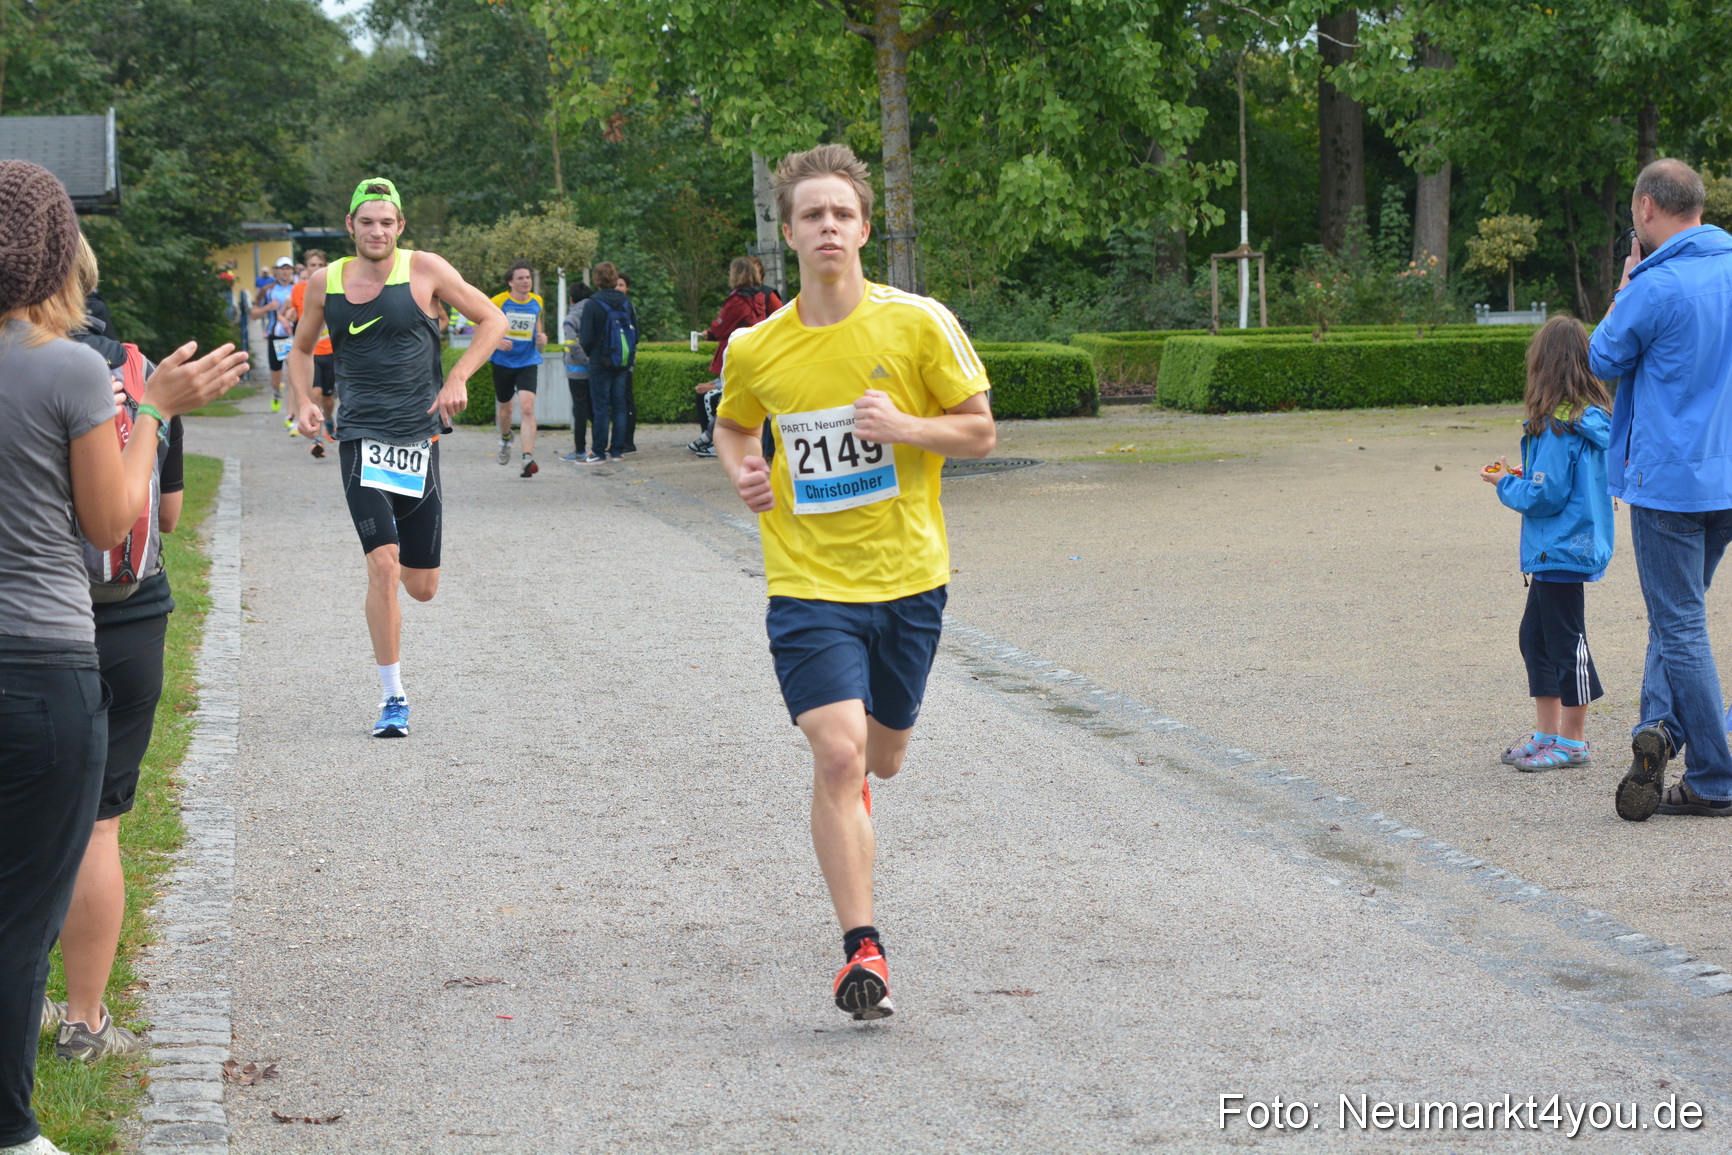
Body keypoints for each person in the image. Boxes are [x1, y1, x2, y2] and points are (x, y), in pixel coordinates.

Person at [713, 144, 995, 1020]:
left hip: (909, 576)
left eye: (842, 213)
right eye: (811, 215)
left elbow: (979, 430)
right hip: (807, 582)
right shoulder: (758, 347)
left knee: (882, 756)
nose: (828, 226)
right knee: (836, 752)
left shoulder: (918, 323)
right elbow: (732, 425)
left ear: (863, 228)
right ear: (789, 233)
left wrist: (904, 424)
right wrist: (743, 469)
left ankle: (861, 784)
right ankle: (860, 947)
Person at [0, 159, 244, 1155]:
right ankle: (14, 1131)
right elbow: (113, 519)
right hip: (45, 670)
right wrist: (153, 410)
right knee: (22, 912)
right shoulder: (68, 369)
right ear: (61, 251)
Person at [285, 177, 507, 738]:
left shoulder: (426, 269)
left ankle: (404, 618)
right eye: (367, 222)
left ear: (400, 227)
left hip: (418, 440)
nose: (377, 231)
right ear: (351, 226)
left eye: (387, 222)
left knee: (421, 585)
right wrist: (303, 400)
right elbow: (302, 349)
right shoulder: (324, 281)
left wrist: (458, 375)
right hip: (358, 437)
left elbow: (493, 320)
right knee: (382, 565)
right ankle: (393, 697)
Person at [48, 240, 191, 1063]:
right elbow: (166, 516)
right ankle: (85, 1019)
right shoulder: (138, 370)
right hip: (131, 609)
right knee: (100, 822)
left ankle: (21, 994)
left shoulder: (18, 368)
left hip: (34, 609)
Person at [1589, 159, 1732, 821]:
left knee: (1680, 622)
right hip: (1726, 472)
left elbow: (1601, 357)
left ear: (1647, 208)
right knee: (1679, 617)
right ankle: (1660, 728)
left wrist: (1625, 286)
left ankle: (1711, 772)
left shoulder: (1655, 282)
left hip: (1669, 481)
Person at [1482, 316, 1614, 772]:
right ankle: (1547, 733)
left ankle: (1573, 741)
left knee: (1566, 643)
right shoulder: (1577, 421)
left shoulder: (1560, 426)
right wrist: (1522, 475)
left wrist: (1503, 484)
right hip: (1558, 548)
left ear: (1545, 366)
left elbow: (1546, 494)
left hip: (1561, 549)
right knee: (1535, 638)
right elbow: (1562, 483)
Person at [691, 256, 785, 457]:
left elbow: (722, 325)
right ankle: (768, 449)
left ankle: (714, 440)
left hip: (742, 355)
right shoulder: (768, 294)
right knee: (766, 404)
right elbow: (782, 318)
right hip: (766, 354)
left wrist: (711, 332)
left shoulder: (736, 299)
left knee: (731, 400)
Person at [489, 260, 548, 478]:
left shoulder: (537, 301)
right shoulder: (499, 300)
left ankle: (527, 457)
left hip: (528, 361)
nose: (526, 281)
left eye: (528, 278)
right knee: (505, 409)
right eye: (521, 278)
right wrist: (495, 341)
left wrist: (541, 337)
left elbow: (537, 326)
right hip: (503, 362)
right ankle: (505, 438)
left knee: (527, 409)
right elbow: (478, 321)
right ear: (510, 282)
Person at [576, 262, 637, 463]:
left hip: (600, 361)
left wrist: (592, 354)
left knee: (601, 406)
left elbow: (586, 337)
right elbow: (636, 331)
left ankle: (599, 451)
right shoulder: (626, 302)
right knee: (619, 404)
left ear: (597, 279)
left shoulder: (593, 303)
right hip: (622, 360)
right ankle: (617, 450)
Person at [284, 250, 336, 458]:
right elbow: (295, 311)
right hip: (311, 352)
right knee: (314, 394)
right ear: (306, 268)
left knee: (328, 398)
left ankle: (330, 419)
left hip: (331, 351)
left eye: (320, 265)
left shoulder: (334, 287)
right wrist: (289, 315)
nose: (316, 269)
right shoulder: (298, 290)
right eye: (312, 265)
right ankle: (317, 439)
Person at [250, 256, 296, 414]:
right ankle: (277, 392)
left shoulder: (297, 288)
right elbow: (254, 314)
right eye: (282, 268)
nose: (285, 272)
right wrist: (267, 308)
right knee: (276, 376)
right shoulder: (267, 290)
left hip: (294, 336)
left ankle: (294, 405)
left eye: (288, 268)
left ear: (292, 271)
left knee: (295, 372)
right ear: (276, 271)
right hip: (276, 336)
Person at [562, 283, 594, 461]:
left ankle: (580, 450)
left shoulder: (571, 317)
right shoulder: (597, 313)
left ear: (571, 299)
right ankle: (599, 448)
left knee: (580, 411)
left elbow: (571, 343)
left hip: (576, 371)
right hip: (595, 370)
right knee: (596, 410)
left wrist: (583, 360)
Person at [616, 272, 638, 453]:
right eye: (615, 284)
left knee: (626, 399)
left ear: (627, 288)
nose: (618, 288)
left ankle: (628, 441)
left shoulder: (628, 306)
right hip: (618, 359)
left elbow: (635, 333)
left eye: (621, 285)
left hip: (626, 360)